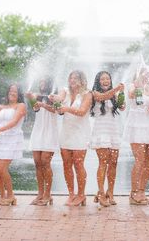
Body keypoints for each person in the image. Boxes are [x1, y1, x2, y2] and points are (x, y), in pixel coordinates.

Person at [49, 70, 92, 206]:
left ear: (81, 80)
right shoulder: (65, 91)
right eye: (71, 77)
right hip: (66, 132)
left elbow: (82, 112)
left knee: (78, 163)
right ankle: (71, 194)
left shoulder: (87, 94)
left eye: (75, 78)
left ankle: (81, 195)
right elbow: (59, 99)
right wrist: (53, 98)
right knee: (66, 164)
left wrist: (66, 109)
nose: (72, 80)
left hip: (80, 133)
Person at [90, 71, 125, 207]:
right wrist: (117, 88)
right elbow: (103, 96)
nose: (106, 81)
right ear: (98, 81)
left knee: (114, 162)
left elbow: (122, 108)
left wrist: (121, 97)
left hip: (113, 130)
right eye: (102, 79)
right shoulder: (94, 93)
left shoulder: (114, 95)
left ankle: (110, 192)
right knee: (103, 162)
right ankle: (101, 192)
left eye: (108, 78)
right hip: (101, 130)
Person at [122, 67, 149, 205]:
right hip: (136, 125)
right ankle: (134, 193)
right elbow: (130, 95)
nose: (147, 75)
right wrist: (138, 80)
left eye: (148, 73)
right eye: (144, 73)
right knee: (139, 159)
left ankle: (141, 191)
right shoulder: (132, 86)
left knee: (148, 160)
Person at [25, 77, 59, 206]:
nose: (41, 84)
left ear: (49, 83)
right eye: (40, 82)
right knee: (37, 163)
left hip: (50, 132)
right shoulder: (38, 97)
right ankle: (40, 193)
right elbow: (36, 108)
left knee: (45, 161)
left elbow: (56, 110)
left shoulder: (54, 97)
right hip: (38, 131)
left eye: (43, 81)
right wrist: (30, 98)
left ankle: (48, 194)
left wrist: (44, 104)